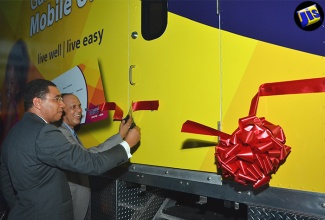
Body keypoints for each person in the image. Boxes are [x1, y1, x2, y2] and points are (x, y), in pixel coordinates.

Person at [0, 79, 141, 220]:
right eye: (57, 99)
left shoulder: (12, 134)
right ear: (37, 103)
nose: (62, 105)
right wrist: (127, 144)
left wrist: (25, 209)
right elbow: (91, 163)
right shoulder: (44, 133)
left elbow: (6, 184)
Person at [57, 93, 130, 220]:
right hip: (73, 204)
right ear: (61, 111)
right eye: (73, 107)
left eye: (79, 106)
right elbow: (87, 157)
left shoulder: (70, 131)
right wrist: (122, 139)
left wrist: (120, 135)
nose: (79, 110)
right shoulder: (61, 133)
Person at [0, 39, 30, 146]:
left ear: (18, 86)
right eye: (7, 80)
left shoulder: (13, 106)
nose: (8, 86)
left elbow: (5, 135)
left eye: (12, 82)